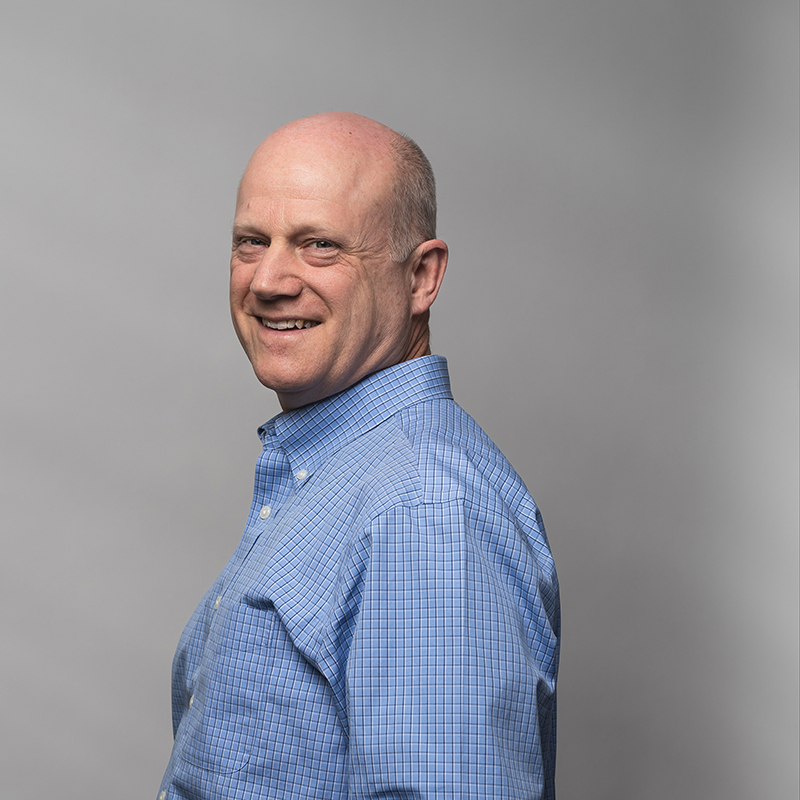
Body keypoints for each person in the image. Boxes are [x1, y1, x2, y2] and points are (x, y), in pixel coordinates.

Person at [158, 112, 560, 799]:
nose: (269, 281)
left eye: (320, 246)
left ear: (422, 278)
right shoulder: (344, 479)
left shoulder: (424, 507)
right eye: (251, 242)